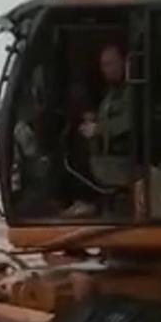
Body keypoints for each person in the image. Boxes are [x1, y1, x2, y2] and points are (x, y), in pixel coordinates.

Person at [63, 39, 133, 217]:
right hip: (110, 146)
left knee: (79, 151)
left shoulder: (134, 90)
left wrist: (99, 129)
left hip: (124, 152)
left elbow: (132, 121)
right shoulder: (113, 90)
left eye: (110, 64)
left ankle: (88, 201)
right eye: (103, 65)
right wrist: (93, 118)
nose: (105, 69)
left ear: (124, 62)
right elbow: (111, 113)